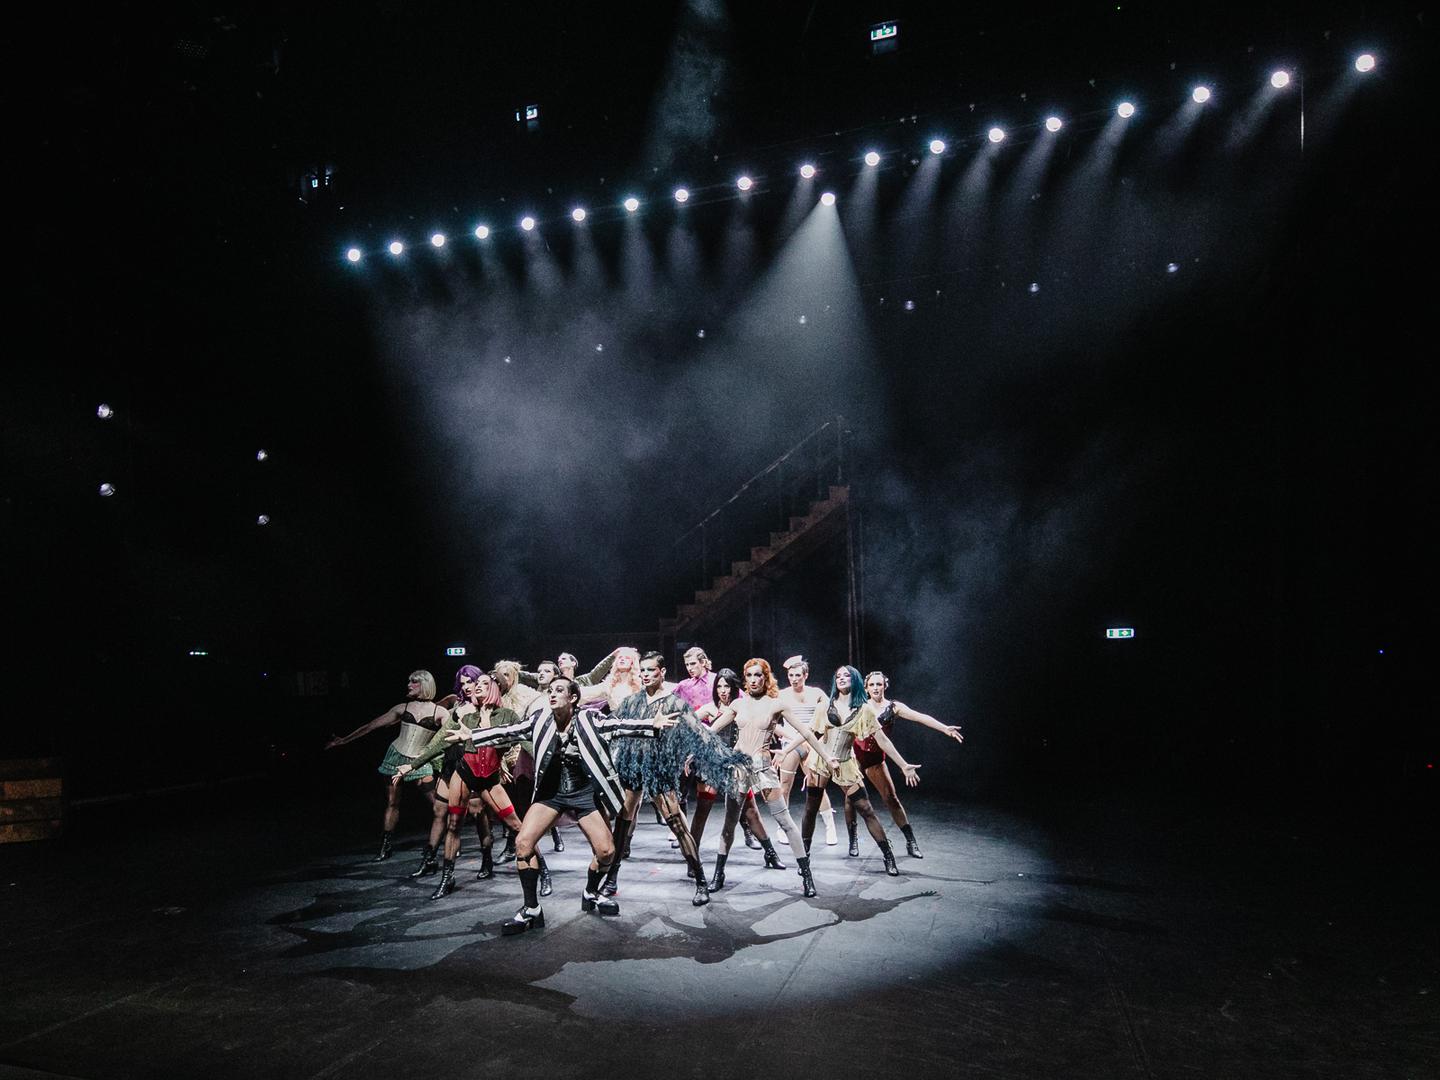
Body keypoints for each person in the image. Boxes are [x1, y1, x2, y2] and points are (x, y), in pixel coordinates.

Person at [446, 676, 679, 935]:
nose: (552, 694)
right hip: (550, 793)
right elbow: (510, 731)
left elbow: (618, 725)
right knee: (523, 844)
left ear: (573, 697)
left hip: (583, 792)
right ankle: (531, 909)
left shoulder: (589, 719)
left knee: (606, 851)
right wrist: (473, 735)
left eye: (559, 690)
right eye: (550, 690)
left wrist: (651, 724)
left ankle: (591, 892)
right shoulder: (540, 720)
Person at [602, 652, 748, 905]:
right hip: (632, 766)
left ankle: (700, 881)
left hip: (659, 768)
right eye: (643, 670)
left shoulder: (675, 704)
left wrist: (726, 759)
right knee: (623, 824)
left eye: (651, 670)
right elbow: (613, 727)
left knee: (677, 824)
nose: (646, 675)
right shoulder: (631, 702)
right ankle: (611, 879)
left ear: (662, 673)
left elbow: (701, 734)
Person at [392, 668, 545, 900]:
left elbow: (528, 744)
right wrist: (411, 766)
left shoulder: (507, 716)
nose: (477, 686)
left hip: (489, 780)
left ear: (494, 688)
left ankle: (543, 871)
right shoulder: (467, 717)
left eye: (483, 683)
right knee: (453, 824)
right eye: (476, 683)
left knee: (517, 826)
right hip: (463, 774)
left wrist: (552, 762)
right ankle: (447, 878)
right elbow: (439, 743)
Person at [707, 658, 840, 898]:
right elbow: (711, 730)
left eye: (758, 675)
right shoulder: (737, 704)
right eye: (749, 675)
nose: (753, 680)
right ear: (745, 679)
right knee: (729, 824)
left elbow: (806, 732)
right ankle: (718, 874)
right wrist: (689, 749)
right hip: (739, 768)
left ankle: (806, 876)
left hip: (763, 767)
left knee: (785, 821)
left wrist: (827, 757)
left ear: (765, 678)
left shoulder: (776, 704)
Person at [790, 665, 919, 877]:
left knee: (866, 809)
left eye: (846, 675)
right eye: (838, 675)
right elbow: (809, 732)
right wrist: (786, 750)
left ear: (855, 680)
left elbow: (883, 740)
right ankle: (804, 858)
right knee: (811, 809)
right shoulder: (825, 705)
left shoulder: (864, 710)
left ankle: (888, 855)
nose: (841, 678)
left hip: (844, 763)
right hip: (821, 762)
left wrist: (903, 764)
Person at [325, 670, 447, 869]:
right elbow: (371, 726)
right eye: (409, 681)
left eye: (414, 682)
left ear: (425, 684)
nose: (409, 685)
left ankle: (441, 844)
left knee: (438, 805)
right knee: (392, 802)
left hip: (420, 761)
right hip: (396, 756)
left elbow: (447, 737)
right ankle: (385, 846)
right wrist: (344, 740)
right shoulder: (402, 707)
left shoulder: (439, 712)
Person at [846, 670, 964, 858]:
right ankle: (853, 839)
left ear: (885, 686)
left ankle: (910, 841)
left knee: (891, 798)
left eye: (879, 684)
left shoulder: (893, 707)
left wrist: (944, 728)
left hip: (875, 758)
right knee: (851, 799)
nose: (876, 688)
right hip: (856, 755)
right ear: (866, 688)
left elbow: (920, 717)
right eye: (872, 685)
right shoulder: (860, 705)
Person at [691, 667, 778, 884]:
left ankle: (770, 852)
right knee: (702, 810)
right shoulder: (710, 708)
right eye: (719, 686)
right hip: (712, 765)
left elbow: (766, 723)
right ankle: (692, 859)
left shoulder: (743, 707)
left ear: (734, 687)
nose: (723, 690)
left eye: (727, 686)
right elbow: (689, 722)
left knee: (751, 811)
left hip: (736, 765)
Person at [772, 655, 837, 846]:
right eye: (791, 675)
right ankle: (782, 828)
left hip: (812, 744)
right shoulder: (782, 695)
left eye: (797, 675)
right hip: (790, 744)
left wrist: (816, 739)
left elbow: (832, 715)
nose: (794, 679)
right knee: (784, 786)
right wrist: (793, 739)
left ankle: (830, 827)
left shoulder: (816, 693)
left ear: (805, 675)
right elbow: (772, 723)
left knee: (816, 786)